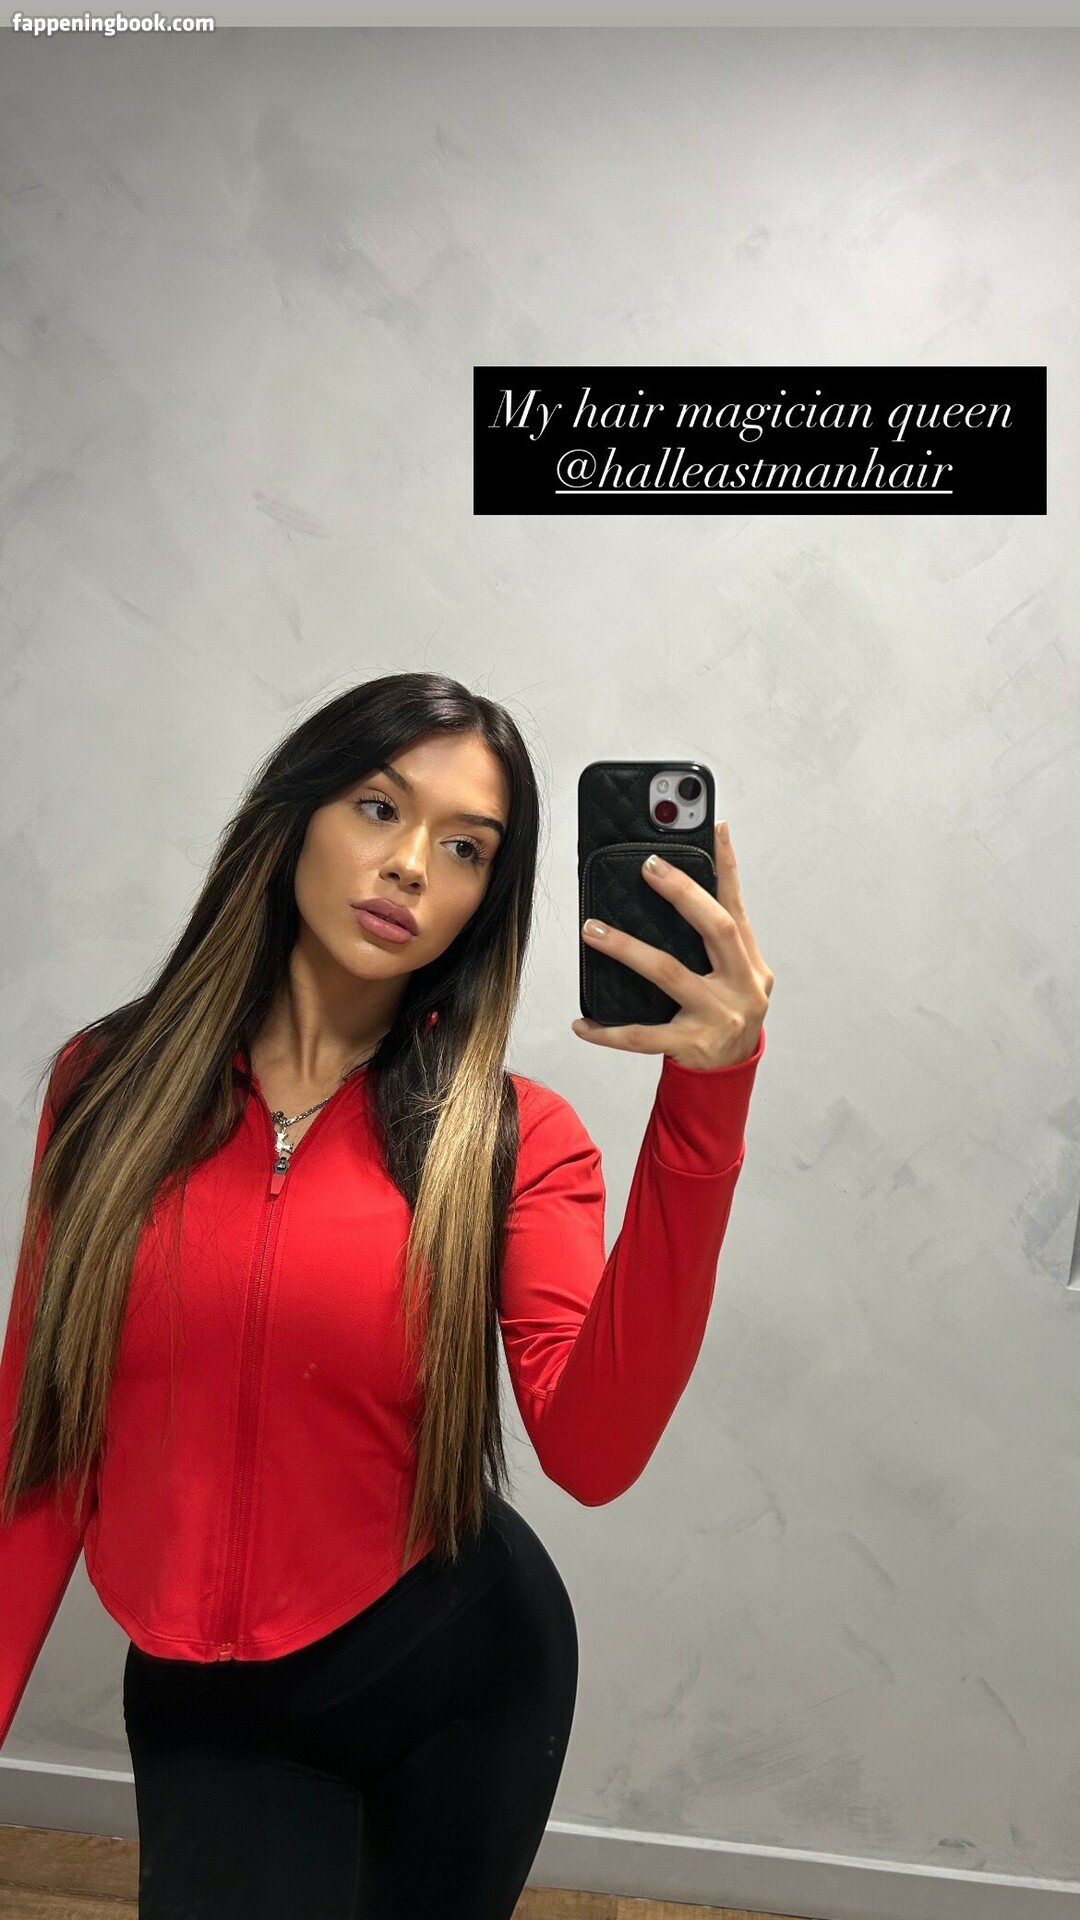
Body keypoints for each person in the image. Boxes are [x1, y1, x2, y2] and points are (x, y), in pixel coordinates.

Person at [0, 671, 772, 1919]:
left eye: (466, 848)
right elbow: (35, 1442)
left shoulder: (513, 1142)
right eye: (379, 807)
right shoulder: (106, 1088)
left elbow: (594, 1450)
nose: (413, 864)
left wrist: (709, 1098)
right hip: (211, 1703)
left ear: (483, 901)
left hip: (462, 1675)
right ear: (293, 815)